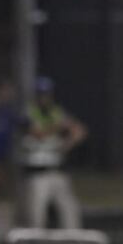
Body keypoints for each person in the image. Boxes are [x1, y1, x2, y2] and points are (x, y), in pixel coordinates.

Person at [21, 76, 88, 230]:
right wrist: (58, 126)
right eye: (40, 94)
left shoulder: (57, 112)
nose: (44, 98)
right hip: (37, 174)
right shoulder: (29, 113)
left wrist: (66, 144)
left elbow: (80, 131)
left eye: (46, 94)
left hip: (58, 171)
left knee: (69, 212)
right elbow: (37, 133)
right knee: (36, 216)